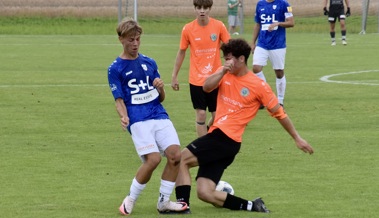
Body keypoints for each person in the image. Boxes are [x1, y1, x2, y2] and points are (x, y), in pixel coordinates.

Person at [175, 38, 314, 214]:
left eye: (230, 58)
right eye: (225, 58)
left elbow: (280, 113)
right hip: (222, 139)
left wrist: (297, 138)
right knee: (205, 192)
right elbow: (206, 87)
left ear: (241, 59)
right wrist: (222, 72)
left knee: (180, 159)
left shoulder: (258, 86)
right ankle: (252, 205)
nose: (227, 62)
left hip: (225, 139)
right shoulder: (224, 73)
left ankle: (182, 205)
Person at [107, 17, 188, 216]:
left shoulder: (149, 62)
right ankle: (130, 199)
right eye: (130, 40)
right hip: (137, 118)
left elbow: (161, 98)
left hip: (158, 115)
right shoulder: (115, 68)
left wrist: (160, 88)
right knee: (152, 160)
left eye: (137, 39)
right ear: (121, 39)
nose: (135, 44)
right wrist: (124, 117)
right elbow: (119, 100)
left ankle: (163, 202)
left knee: (175, 156)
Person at [171, 0, 230, 137]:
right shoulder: (188, 29)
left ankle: (208, 133)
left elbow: (229, 47)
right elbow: (181, 52)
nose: (202, 10)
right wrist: (174, 75)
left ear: (210, 9)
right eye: (199, 7)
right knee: (201, 113)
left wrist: (230, 65)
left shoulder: (219, 26)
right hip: (196, 80)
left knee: (217, 115)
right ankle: (203, 149)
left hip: (215, 79)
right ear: (195, 9)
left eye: (205, 7)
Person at [251, 0, 294, 107]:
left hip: (278, 44)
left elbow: (291, 22)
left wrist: (279, 23)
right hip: (262, 44)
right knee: (256, 68)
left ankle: (280, 100)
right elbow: (257, 24)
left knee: (279, 72)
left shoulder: (284, 4)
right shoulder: (260, 4)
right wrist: (253, 42)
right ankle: (265, 96)